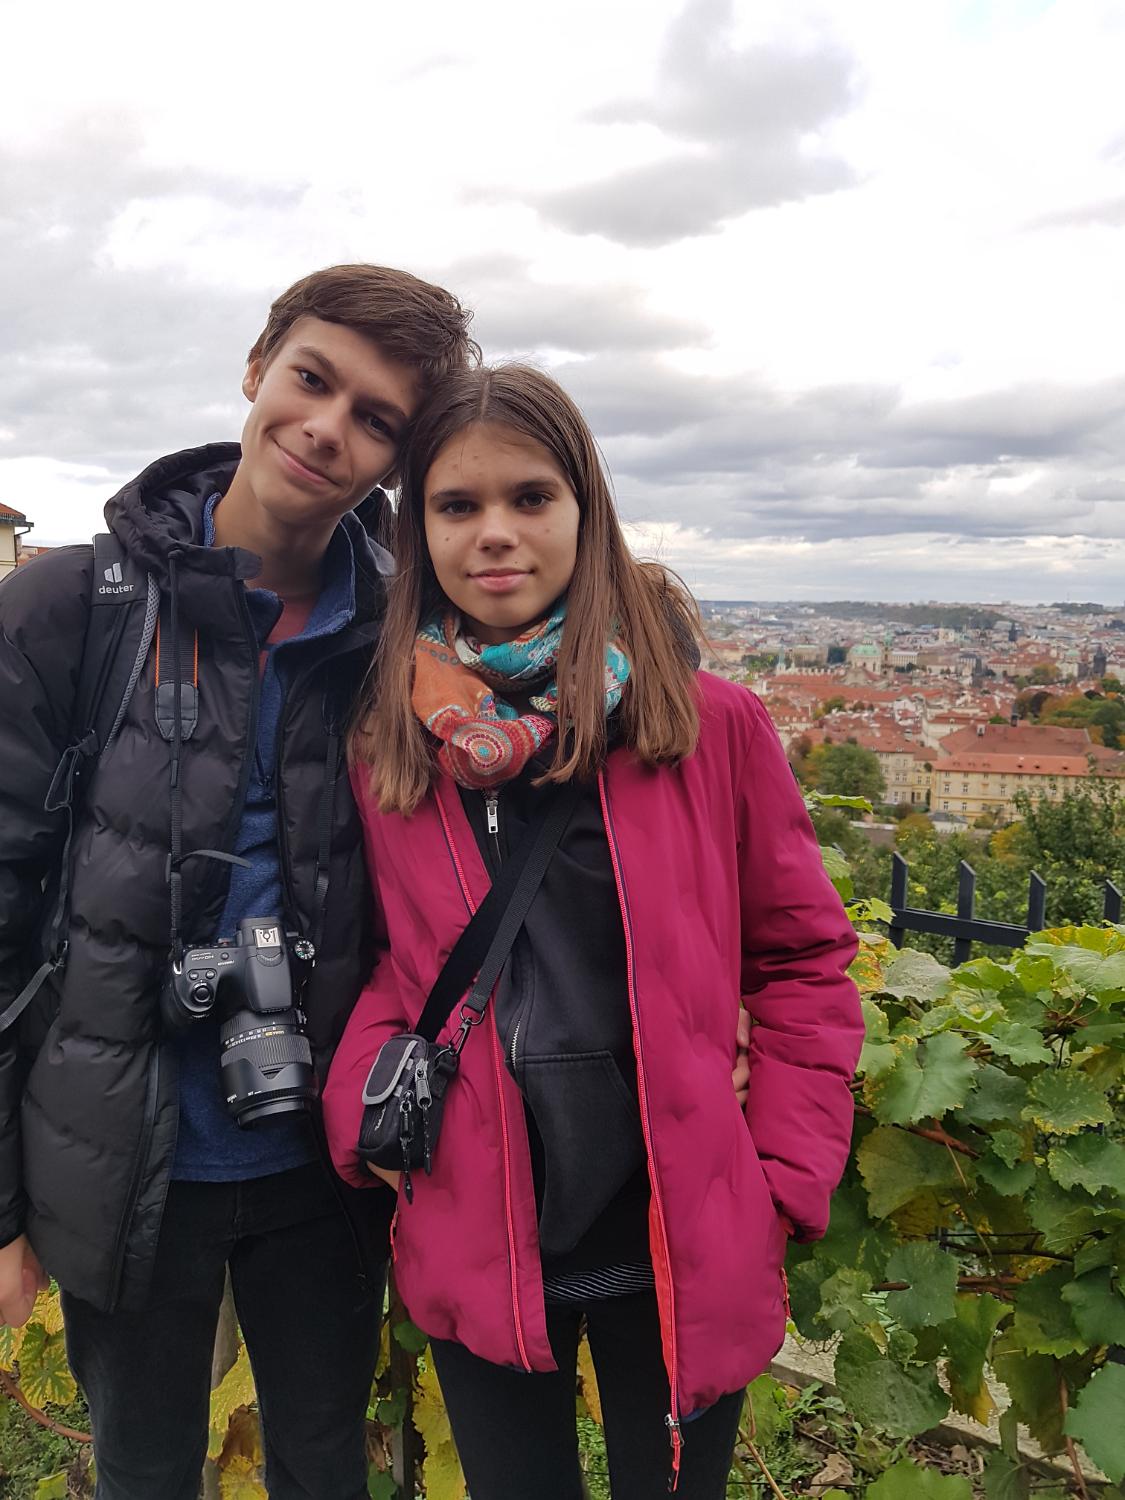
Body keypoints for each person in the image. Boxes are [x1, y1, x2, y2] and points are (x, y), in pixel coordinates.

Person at [322, 364, 865, 1499]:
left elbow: (801, 958)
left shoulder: (706, 725)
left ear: (585, 510)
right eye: (457, 505)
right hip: (479, 1217)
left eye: (530, 497)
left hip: (682, 1222)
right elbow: (381, 965)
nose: (495, 533)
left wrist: (780, 1177)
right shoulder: (391, 746)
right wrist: (362, 1099)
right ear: (419, 532)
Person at [0, 264, 478, 1500]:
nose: (326, 428)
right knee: (145, 1468)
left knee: (324, 1463)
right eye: (313, 379)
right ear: (258, 367)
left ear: (396, 461)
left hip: (328, 1158)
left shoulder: (410, 645)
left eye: (375, 418)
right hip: (125, 1157)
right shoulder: (70, 610)